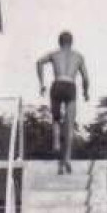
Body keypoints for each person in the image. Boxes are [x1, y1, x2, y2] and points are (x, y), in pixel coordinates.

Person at [35, 31, 91, 174]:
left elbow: (39, 62)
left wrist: (41, 83)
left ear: (59, 42)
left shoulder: (54, 54)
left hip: (57, 84)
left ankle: (56, 141)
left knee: (56, 118)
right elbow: (85, 78)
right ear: (72, 42)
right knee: (70, 124)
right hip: (70, 85)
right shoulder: (78, 56)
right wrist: (85, 92)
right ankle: (66, 158)